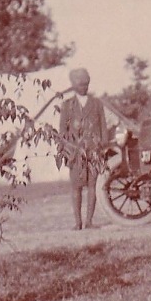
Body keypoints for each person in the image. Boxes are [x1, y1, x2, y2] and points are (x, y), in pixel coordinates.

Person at [58, 68, 108, 230]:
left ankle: (89, 221)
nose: (84, 87)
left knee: (93, 186)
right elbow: (62, 132)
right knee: (76, 187)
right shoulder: (67, 105)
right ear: (73, 85)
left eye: (86, 84)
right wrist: (67, 151)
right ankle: (77, 222)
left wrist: (103, 148)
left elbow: (103, 127)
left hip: (94, 151)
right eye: (80, 84)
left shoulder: (96, 103)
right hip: (75, 153)